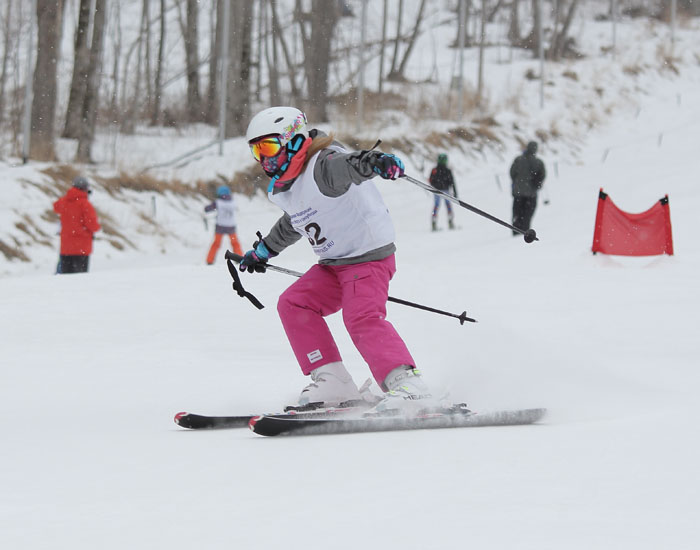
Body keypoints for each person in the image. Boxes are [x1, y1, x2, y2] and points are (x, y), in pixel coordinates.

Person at [239, 106, 433, 412]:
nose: (264, 158)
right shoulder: (290, 186)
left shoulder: (324, 165)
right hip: (333, 266)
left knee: (361, 317)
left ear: (292, 139)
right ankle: (333, 380)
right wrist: (264, 251)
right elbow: (295, 221)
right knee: (294, 303)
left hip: (367, 260)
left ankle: (408, 383)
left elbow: (351, 166)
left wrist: (375, 161)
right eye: (256, 151)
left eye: (269, 146)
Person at [53, 176, 101, 274]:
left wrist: (68, 196)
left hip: (66, 247)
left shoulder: (65, 201)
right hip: (81, 248)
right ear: (85, 188)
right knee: (79, 279)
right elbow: (93, 225)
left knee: (65, 277)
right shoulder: (85, 204)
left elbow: (56, 206)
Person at [510, 141, 546, 235]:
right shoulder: (538, 162)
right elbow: (542, 176)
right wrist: (537, 185)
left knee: (517, 213)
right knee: (527, 214)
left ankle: (515, 231)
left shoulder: (518, 160)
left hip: (518, 192)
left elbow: (512, 173)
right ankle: (525, 232)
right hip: (531, 194)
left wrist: (517, 183)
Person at [205, 185, 243, 264]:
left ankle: (210, 260)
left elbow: (207, 209)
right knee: (235, 243)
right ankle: (239, 258)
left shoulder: (218, 202)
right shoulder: (232, 202)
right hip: (231, 226)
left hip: (220, 226)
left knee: (216, 244)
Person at [428, 153, 458, 231]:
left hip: (439, 190)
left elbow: (431, 180)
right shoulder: (445, 170)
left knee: (438, 205)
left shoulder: (436, 170)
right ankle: (449, 221)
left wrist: (435, 186)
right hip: (442, 190)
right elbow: (452, 182)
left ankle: (435, 222)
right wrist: (455, 191)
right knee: (445, 205)